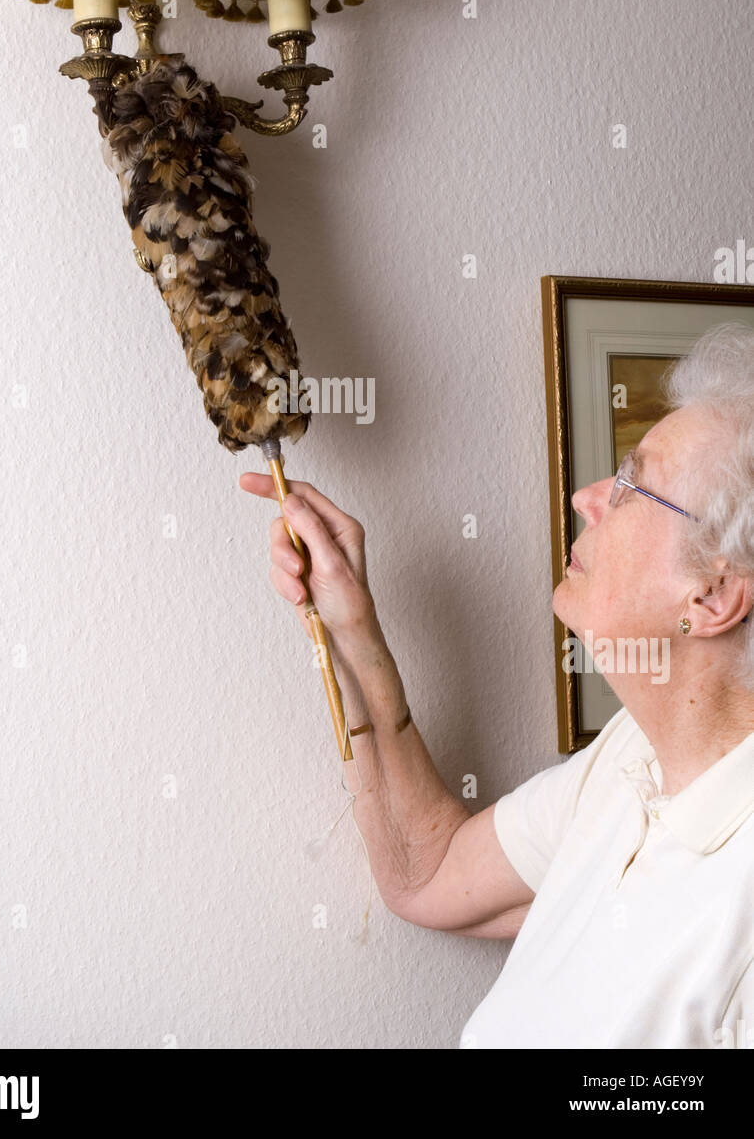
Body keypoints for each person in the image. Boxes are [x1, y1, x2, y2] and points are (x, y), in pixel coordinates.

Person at [240, 321, 754, 1049]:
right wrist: (352, 626)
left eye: (634, 484)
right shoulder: (631, 759)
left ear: (711, 597)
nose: (587, 496)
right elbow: (429, 873)